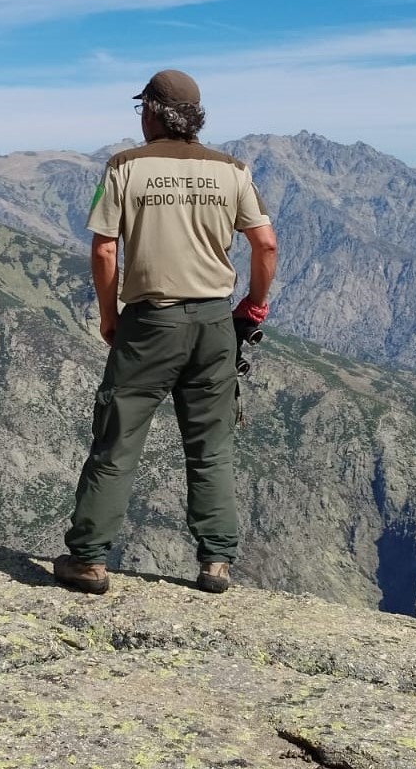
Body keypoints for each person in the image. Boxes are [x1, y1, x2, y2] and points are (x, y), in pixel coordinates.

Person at [54, 69, 277, 594]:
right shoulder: (233, 170)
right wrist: (254, 305)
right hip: (214, 323)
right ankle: (216, 561)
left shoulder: (124, 167)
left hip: (150, 324)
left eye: (142, 109)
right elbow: (265, 245)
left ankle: (88, 559)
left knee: (117, 441)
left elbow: (105, 248)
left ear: (152, 111)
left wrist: (109, 314)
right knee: (210, 446)